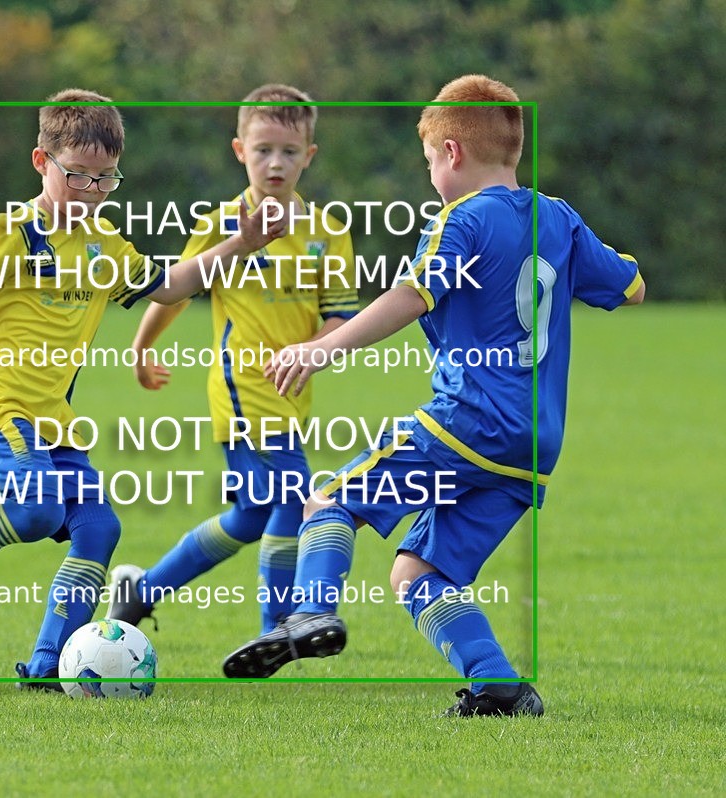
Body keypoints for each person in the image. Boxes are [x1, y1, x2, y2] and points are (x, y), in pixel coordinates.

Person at [221, 74, 645, 717]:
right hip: (533, 443)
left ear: (451, 154)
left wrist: (320, 348)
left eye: (428, 163)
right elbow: (632, 286)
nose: (430, 178)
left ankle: (309, 613)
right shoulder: (556, 218)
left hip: (468, 419)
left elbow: (410, 296)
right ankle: (497, 685)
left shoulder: (460, 221)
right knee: (420, 574)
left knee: (330, 500)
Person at [0, 88, 286, 688]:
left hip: (53, 417)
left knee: (99, 529)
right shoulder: (9, 233)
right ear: (41, 162)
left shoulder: (104, 245)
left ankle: (48, 669)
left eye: (107, 180)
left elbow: (171, 285)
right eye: (78, 176)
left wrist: (242, 244)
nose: (92, 192)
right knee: (33, 510)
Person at [107, 84, 358, 636]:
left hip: (291, 393)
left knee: (250, 517)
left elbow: (341, 315)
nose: (275, 162)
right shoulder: (221, 225)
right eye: (263, 148)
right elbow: (175, 290)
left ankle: (141, 591)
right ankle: (279, 627)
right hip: (241, 387)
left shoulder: (329, 234)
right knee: (294, 498)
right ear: (239, 150)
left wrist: (315, 348)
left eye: (289, 152)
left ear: (309, 156)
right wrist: (142, 346)